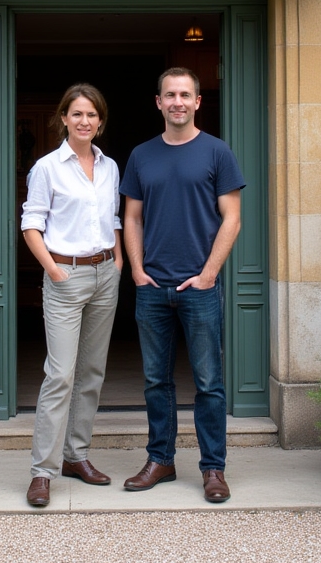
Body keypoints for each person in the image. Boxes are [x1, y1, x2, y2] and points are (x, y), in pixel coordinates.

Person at [119, 67, 244, 503]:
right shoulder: (141, 155)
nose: (177, 101)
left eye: (184, 94)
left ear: (197, 101)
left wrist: (209, 274)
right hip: (152, 285)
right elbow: (131, 217)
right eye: (169, 94)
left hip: (200, 287)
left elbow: (233, 217)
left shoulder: (216, 152)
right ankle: (161, 460)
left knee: (208, 382)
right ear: (158, 102)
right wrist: (136, 270)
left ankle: (213, 469)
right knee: (157, 381)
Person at [20, 82, 123, 508]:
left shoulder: (110, 165)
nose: (84, 121)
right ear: (63, 118)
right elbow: (31, 223)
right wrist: (52, 271)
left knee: (92, 372)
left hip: (105, 273)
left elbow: (113, 214)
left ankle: (76, 456)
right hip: (66, 275)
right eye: (76, 114)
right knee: (60, 374)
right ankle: (42, 471)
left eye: (92, 115)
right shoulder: (47, 167)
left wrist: (117, 260)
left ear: (100, 122)